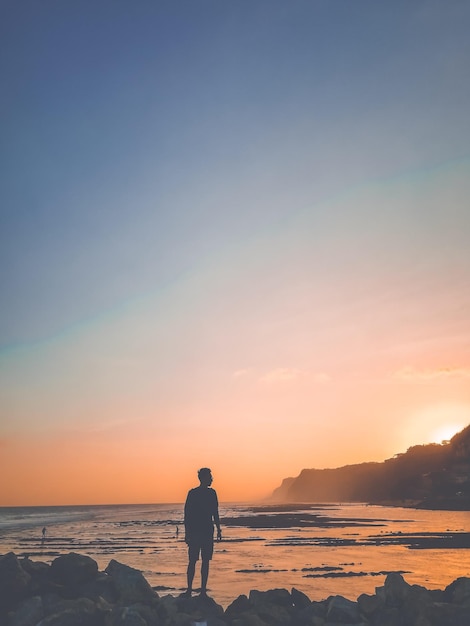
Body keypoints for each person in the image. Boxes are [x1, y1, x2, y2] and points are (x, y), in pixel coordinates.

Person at [184, 467, 222, 597]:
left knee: (202, 560)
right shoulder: (194, 493)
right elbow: (187, 514)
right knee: (195, 560)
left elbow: (215, 513)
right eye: (210, 477)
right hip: (199, 531)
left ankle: (201, 590)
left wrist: (218, 529)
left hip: (204, 531)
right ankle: (192, 589)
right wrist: (187, 533)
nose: (212, 479)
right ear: (204, 478)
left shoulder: (210, 493)